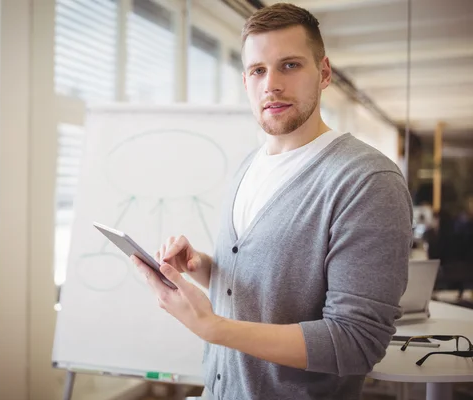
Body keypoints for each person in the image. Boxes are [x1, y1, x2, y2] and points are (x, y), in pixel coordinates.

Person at [131, 3, 413, 399]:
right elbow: (273, 294)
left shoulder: (366, 180)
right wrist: (204, 268)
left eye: (291, 65)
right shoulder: (249, 165)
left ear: (325, 73)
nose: (272, 84)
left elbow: (356, 342)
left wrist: (213, 328)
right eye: (258, 70)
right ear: (245, 79)